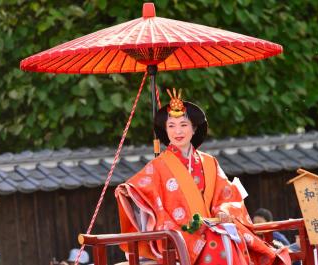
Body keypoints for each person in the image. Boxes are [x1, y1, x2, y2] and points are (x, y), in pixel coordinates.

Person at [115, 89, 291, 265]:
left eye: (183, 125)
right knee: (219, 243)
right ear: (165, 131)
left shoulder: (209, 162)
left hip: (214, 227)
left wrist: (223, 211)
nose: (178, 131)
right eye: (171, 126)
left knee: (228, 240)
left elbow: (227, 195)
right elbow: (137, 188)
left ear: (194, 128)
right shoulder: (158, 166)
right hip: (182, 233)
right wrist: (127, 191)